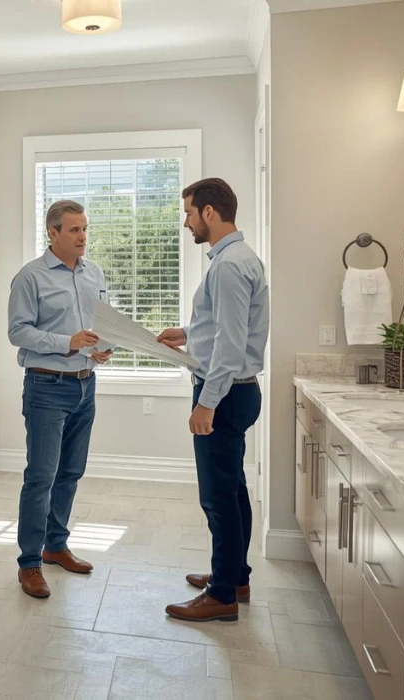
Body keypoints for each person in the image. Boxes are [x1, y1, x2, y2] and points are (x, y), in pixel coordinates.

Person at [158, 178, 269, 622]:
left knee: (217, 498)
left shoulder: (226, 266)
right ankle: (234, 575)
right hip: (239, 392)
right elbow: (227, 327)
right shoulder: (241, 258)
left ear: (208, 212)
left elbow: (229, 344)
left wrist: (205, 402)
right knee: (234, 489)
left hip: (224, 395)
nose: (186, 222)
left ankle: (223, 596)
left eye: (188, 213)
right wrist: (188, 333)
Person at [7, 199, 114, 599]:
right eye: (74, 230)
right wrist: (66, 343)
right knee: (41, 477)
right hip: (47, 387)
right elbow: (18, 332)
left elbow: (100, 325)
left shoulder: (95, 274)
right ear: (52, 233)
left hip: (87, 384)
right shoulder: (30, 278)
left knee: (70, 472)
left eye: (85, 228)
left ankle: (55, 545)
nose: (83, 236)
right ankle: (29, 563)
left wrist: (103, 348)